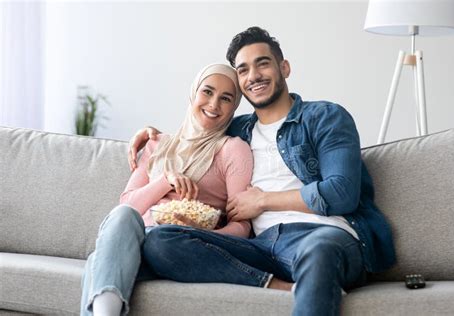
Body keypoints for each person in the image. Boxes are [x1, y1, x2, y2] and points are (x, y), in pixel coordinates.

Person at [129, 27, 396, 316]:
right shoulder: (237, 131)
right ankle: (276, 285)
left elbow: (342, 193)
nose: (253, 76)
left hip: (324, 236)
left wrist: (263, 200)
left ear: (284, 68)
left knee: (319, 250)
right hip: (260, 247)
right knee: (160, 240)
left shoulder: (325, 117)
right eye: (243, 70)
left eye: (263, 63)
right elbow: (198, 126)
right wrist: (154, 135)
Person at [80, 63, 255, 316]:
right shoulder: (157, 144)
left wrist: (206, 236)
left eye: (226, 98)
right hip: (134, 239)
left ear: (235, 107)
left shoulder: (232, 149)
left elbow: (243, 226)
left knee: (97, 262)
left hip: (176, 244)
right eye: (207, 92)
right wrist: (165, 180)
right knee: (122, 218)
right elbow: (126, 206)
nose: (214, 104)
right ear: (193, 94)